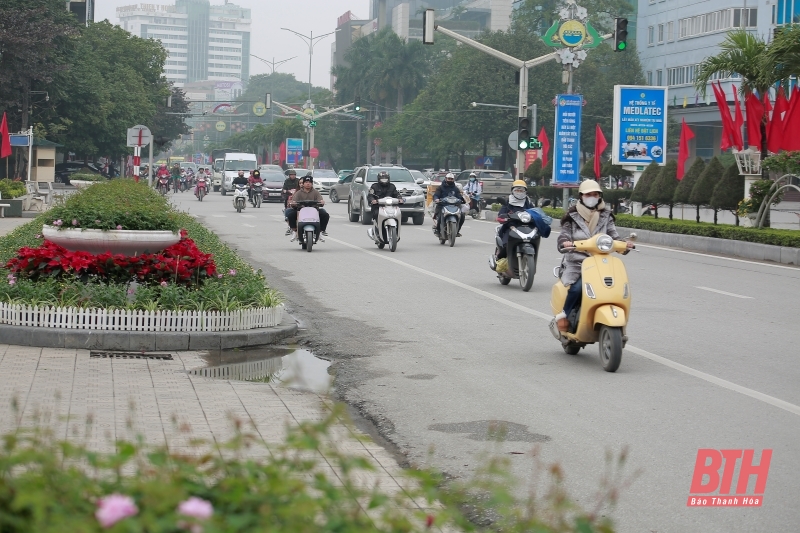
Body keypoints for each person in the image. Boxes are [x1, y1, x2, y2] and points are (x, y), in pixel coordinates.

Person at [554, 180, 633, 332]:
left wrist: (624, 244)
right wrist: (565, 242)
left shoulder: (606, 215)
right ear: (581, 196)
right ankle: (565, 314)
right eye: (588, 194)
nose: (592, 197)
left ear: (599, 196)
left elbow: (613, 236)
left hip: (602, 262)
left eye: (595, 194)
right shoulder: (572, 216)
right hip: (577, 262)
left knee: (614, 287)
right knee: (577, 288)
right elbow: (564, 234)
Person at [492, 180, 537, 270]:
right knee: (506, 243)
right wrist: (504, 217)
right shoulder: (508, 202)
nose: (519, 192)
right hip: (511, 227)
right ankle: (499, 258)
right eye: (517, 190)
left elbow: (535, 212)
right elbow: (501, 214)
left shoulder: (528, 202)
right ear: (512, 191)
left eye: (521, 190)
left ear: (525, 192)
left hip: (526, 227)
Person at [287, 175, 329, 241]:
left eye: (309, 182)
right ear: (303, 184)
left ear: (312, 183)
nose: (308, 184)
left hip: (314, 210)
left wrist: (322, 202)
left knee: (325, 215)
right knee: (290, 215)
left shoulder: (316, 192)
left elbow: (320, 200)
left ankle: (320, 231)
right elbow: (293, 202)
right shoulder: (298, 193)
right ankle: (295, 231)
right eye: (306, 182)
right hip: (300, 211)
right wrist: (293, 203)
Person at [367, 170, 404, 237]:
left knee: (400, 213)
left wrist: (400, 199)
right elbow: (370, 195)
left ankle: (396, 231)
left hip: (390, 206)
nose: (384, 180)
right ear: (379, 179)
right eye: (382, 179)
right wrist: (373, 200)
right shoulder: (374, 186)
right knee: (376, 213)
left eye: (385, 178)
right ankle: (377, 230)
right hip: (378, 206)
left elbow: (396, 194)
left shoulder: (392, 186)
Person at [282, 169, 302, 234]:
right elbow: (284, 189)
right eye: (291, 175)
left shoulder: (298, 181)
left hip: (297, 194)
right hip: (289, 195)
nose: (292, 176)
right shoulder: (287, 181)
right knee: (288, 208)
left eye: (294, 175)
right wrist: (286, 191)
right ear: (289, 175)